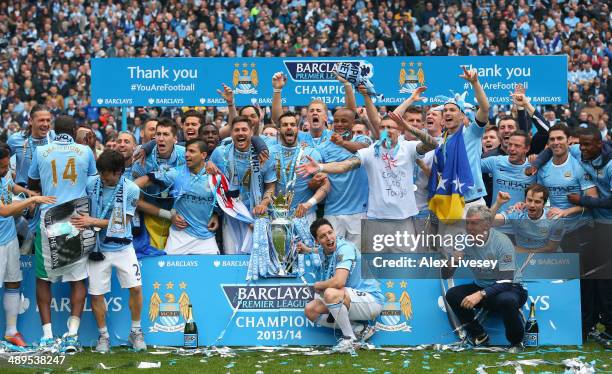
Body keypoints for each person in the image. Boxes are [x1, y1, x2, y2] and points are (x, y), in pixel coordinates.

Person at [298, 111, 437, 248]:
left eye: (390, 127)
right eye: (382, 127)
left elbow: (432, 144)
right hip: (376, 219)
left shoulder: (409, 147)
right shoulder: (370, 151)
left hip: (404, 220)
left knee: (403, 266)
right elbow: (344, 166)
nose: (385, 130)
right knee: (375, 266)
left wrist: (408, 126)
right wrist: (321, 167)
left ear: (399, 131)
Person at [27, 115, 97, 351]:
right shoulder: (85, 151)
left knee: (43, 277)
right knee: (77, 279)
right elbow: (93, 183)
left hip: (49, 219)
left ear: (54, 131)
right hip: (76, 219)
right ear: (75, 130)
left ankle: (47, 335)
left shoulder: (42, 151)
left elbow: (33, 183)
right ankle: (72, 335)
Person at [70, 150, 146, 353]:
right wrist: (81, 220)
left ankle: (136, 331)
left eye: (107, 173)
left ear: (119, 172)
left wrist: (92, 221)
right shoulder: (91, 184)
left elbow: (122, 224)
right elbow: (83, 212)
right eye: (101, 172)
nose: (103, 177)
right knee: (96, 295)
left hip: (123, 247)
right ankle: (103, 336)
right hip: (97, 248)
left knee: (136, 288)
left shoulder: (131, 189)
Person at [444, 205, 527, 353]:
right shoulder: (463, 241)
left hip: (511, 288)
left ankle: (516, 342)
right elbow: (446, 274)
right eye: (467, 222)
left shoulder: (502, 242)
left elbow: (506, 281)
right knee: (452, 294)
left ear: (487, 225)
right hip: (483, 287)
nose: (469, 227)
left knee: (507, 299)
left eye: (474, 223)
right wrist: (452, 262)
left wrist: (480, 294)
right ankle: (479, 335)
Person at [0, 144, 55, 346]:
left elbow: (10, 186)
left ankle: (11, 332)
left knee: (13, 281)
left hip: (9, 238)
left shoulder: (6, 172)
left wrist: (27, 192)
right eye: (1, 168)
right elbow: (4, 210)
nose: (5, 171)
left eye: (7, 166)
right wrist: (34, 199)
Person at [301, 218, 384, 353]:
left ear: (334, 232)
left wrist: (319, 285)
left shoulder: (345, 248)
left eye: (330, 232)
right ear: (317, 241)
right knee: (311, 310)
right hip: (351, 299)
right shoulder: (324, 251)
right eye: (323, 236)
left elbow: (339, 282)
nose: (328, 238)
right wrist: (306, 249)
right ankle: (359, 329)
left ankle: (349, 338)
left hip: (371, 300)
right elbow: (316, 250)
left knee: (330, 293)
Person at [135, 139, 220, 255]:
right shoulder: (176, 173)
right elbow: (146, 179)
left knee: (213, 271)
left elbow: (226, 202)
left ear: (203, 155)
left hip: (205, 236)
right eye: (186, 151)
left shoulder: (215, 176)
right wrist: (128, 188)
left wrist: (216, 214)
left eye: (191, 151)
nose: (186, 155)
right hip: (179, 235)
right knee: (168, 272)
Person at [209, 116, 276, 254]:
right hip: (231, 214)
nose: (240, 133)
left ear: (251, 132)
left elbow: (270, 186)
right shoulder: (219, 153)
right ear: (231, 133)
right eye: (236, 130)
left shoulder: (264, 155)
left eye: (244, 129)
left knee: (257, 258)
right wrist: (207, 164)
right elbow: (211, 183)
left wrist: (264, 203)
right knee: (231, 258)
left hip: (256, 214)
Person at [132, 118, 186, 250]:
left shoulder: (185, 155)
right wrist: (167, 215)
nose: (161, 138)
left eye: (166, 134)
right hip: (152, 217)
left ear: (175, 138)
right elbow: (135, 201)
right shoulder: (142, 160)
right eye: (158, 134)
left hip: (180, 217)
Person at [270, 111, 329, 223]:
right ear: (278, 129)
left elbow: (326, 185)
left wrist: (309, 203)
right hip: (277, 217)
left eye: (292, 125)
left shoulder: (311, 153)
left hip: (305, 215)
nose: (289, 127)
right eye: (284, 125)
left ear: (298, 129)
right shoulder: (269, 153)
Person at [490, 185, 564, 252]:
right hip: (522, 256)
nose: (532, 205)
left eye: (537, 202)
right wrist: (498, 203)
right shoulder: (517, 212)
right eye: (529, 200)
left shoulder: (555, 219)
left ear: (544, 203)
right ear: (525, 200)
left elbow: (551, 248)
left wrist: (523, 251)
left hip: (546, 257)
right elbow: (490, 222)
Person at [481, 131, 536, 214]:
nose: (511, 149)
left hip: (522, 223)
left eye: (517, 146)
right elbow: (470, 166)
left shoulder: (533, 167)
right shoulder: (496, 162)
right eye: (510, 144)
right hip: (496, 222)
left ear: (527, 148)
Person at [8, 104, 54, 186]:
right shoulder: (16, 139)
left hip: (49, 193)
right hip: (24, 194)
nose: (46, 124)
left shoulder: (55, 137)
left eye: (48, 120)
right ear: (30, 121)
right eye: (41, 120)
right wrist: (10, 176)